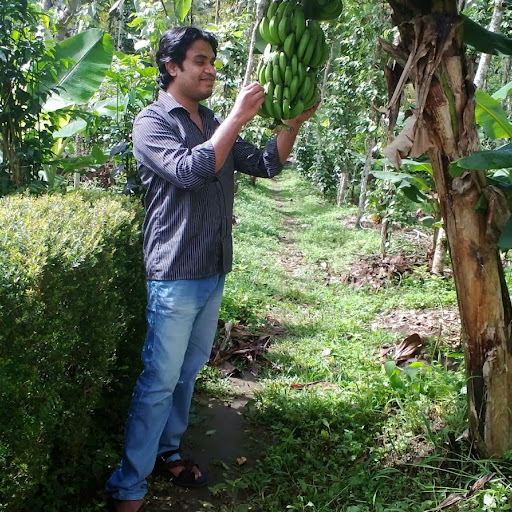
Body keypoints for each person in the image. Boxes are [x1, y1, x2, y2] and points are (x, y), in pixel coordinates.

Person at [106, 25, 318, 512]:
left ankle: (169, 451)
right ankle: (129, 486)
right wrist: (241, 116)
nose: (211, 70)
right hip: (175, 272)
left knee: (187, 372)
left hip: (212, 267)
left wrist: (293, 122)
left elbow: (267, 164)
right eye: (200, 61)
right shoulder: (152, 122)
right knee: (159, 379)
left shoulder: (215, 119)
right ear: (171, 66)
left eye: (212, 61)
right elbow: (192, 171)